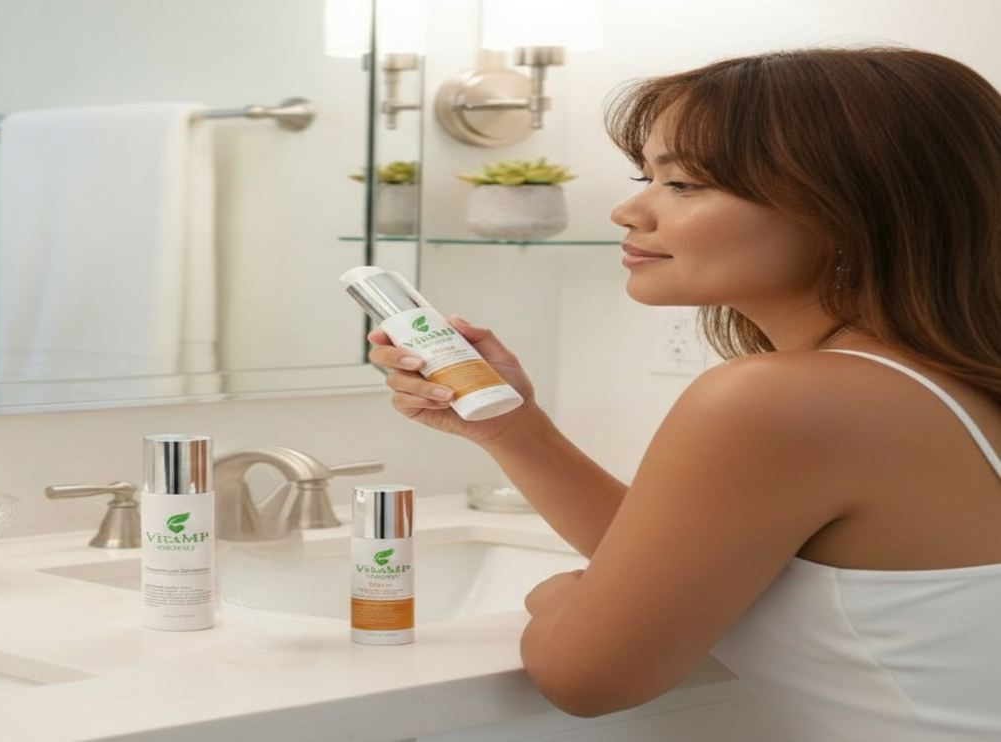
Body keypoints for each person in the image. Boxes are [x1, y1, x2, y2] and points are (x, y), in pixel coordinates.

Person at [369, 46, 1001, 740]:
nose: (628, 209)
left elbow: (586, 678)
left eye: (685, 184)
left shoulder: (781, 401)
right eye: (646, 175)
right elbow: (679, 562)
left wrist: (557, 596)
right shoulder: (939, 380)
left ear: (851, 207)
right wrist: (514, 430)